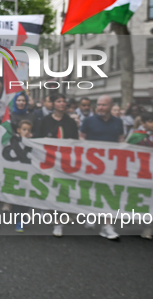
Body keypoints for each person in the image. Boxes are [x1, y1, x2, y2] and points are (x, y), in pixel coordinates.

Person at [80, 95, 124, 240]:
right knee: (91, 190)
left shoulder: (118, 122)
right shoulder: (88, 121)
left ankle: (107, 225)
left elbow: (121, 141)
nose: (100, 107)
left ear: (111, 106)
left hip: (111, 164)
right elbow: (81, 138)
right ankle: (90, 214)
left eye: (104, 105)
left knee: (109, 193)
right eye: (98, 104)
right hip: (92, 164)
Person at [36, 93, 78, 237]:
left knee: (62, 190)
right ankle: (47, 210)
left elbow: (76, 141)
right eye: (59, 101)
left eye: (63, 101)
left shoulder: (71, 122)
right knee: (50, 187)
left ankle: (58, 222)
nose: (62, 104)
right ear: (53, 104)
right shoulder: (45, 121)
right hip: (49, 161)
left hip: (64, 162)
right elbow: (37, 138)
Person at [126, 112, 153, 240]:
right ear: (143, 123)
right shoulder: (136, 136)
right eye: (150, 121)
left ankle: (149, 225)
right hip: (141, 171)